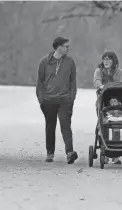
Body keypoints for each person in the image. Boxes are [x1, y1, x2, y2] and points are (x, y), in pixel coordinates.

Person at [36, 36, 78, 164]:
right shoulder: (44, 62)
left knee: (66, 126)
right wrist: (41, 100)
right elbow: (40, 82)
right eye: (66, 46)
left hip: (65, 100)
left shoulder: (70, 62)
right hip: (48, 100)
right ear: (59, 47)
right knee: (50, 126)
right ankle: (50, 153)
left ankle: (70, 152)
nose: (68, 48)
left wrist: (71, 98)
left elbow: (73, 82)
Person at [93, 51, 122, 165]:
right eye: (104, 59)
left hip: (117, 104)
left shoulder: (121, 73)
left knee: (117, 124)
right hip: (103, 103)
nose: (106, 61)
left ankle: (115, 155)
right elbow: (97, 82)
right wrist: (103, 86)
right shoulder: (99, 71)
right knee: (103, 125)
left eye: (108, 59)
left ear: (114, 61)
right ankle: (105, 152)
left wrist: (110, 87)